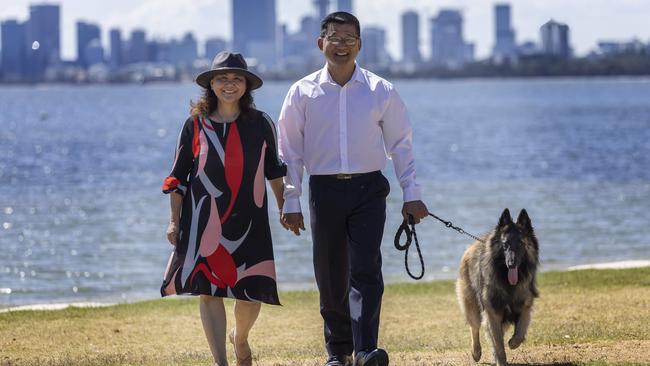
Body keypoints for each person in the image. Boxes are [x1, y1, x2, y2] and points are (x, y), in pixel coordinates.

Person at [277, 12, 429, 366]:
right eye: (334, 38)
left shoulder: (381, 90)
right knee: (330, 274)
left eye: (349, 39)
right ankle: (338, 352)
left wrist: (412, 193)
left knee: (365, 269)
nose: (341, 46)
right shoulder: (302, 92)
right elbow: (290, 152)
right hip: (324, 190)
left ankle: (365, 350)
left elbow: (401, 145)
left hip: (369, 190)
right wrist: (291, 198)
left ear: (359, 45)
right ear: (321, 44)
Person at [161, 51, 287, 366]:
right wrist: (174, 223)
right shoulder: (195, 125)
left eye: (236, 79)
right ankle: (221, 362)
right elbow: (178, 178)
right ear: (211, 84)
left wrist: (286, 206)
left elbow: (274, 171)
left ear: (246, 85)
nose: (229, 84)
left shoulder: (261, 123)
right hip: (204, 220)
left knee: (252, 291)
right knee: (209, 290)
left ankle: (240, 338)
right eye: (222, 78)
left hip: (251, 218)